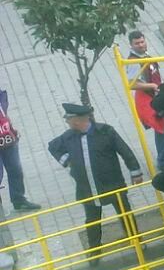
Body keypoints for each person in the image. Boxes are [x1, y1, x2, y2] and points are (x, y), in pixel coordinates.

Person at [46, 103, 142, 260]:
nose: (67, 122)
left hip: (112, 184)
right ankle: (94, 251)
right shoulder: (69, 136)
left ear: (77, 119)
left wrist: (135, 172)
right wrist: (69, 162)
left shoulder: (106, 132)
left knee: (125, 212)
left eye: (68, 119)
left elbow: (124, 151)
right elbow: (52, 147)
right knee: (92, 221)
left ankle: (136, 241)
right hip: (87, 188)